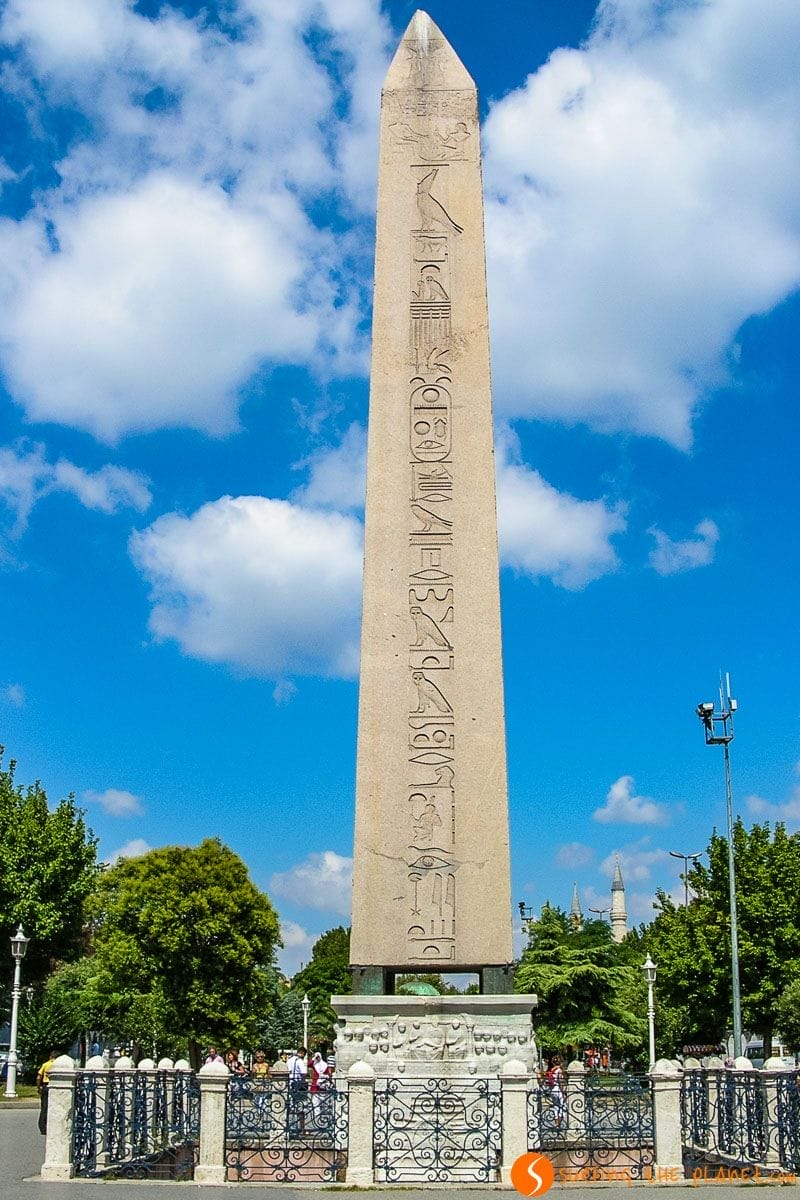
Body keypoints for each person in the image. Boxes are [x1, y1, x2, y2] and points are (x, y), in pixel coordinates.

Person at [286, 1046, 308, 1135]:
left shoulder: (289, 1060)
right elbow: (303, 1073)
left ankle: (288, 1126)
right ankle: (302, 1129)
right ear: (302, 1053)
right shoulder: (299, 1061)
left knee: (289, 1106)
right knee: (301, 1108)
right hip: (298, 1085)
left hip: (289, 1085)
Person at [36, 1049, 58, 1135]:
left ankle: (43, 1127)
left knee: (44, 1107)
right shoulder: (57, 1065)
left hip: (46, 1085)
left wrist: (38, 1087)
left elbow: (39, 1077)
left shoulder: (46, 1064)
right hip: (55, 1086)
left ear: (50, 1057)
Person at [309, 1051, 333, 1129]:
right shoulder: (314, 1064)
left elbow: (328, 1074)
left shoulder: (325, 1065)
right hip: (315, 1085)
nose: (318, 1058)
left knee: (323, 1100)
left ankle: (323, 1116)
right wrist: (314, 1058)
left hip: (322, 1086)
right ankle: (316, 1115)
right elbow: (309, 1064)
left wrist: (323, 1077)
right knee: (315, 1101)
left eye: (319, 1057)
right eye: (317, 1057)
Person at [546, 1054, 567, 1128]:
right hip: (558, 1090)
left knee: (555, 1106)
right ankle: (559, 1124)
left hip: (552, 1089)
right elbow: (561, 1082)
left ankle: (556, 1123)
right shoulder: (559, 1070)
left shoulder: (551, 1070)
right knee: (563, 1106)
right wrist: (564, 1093)